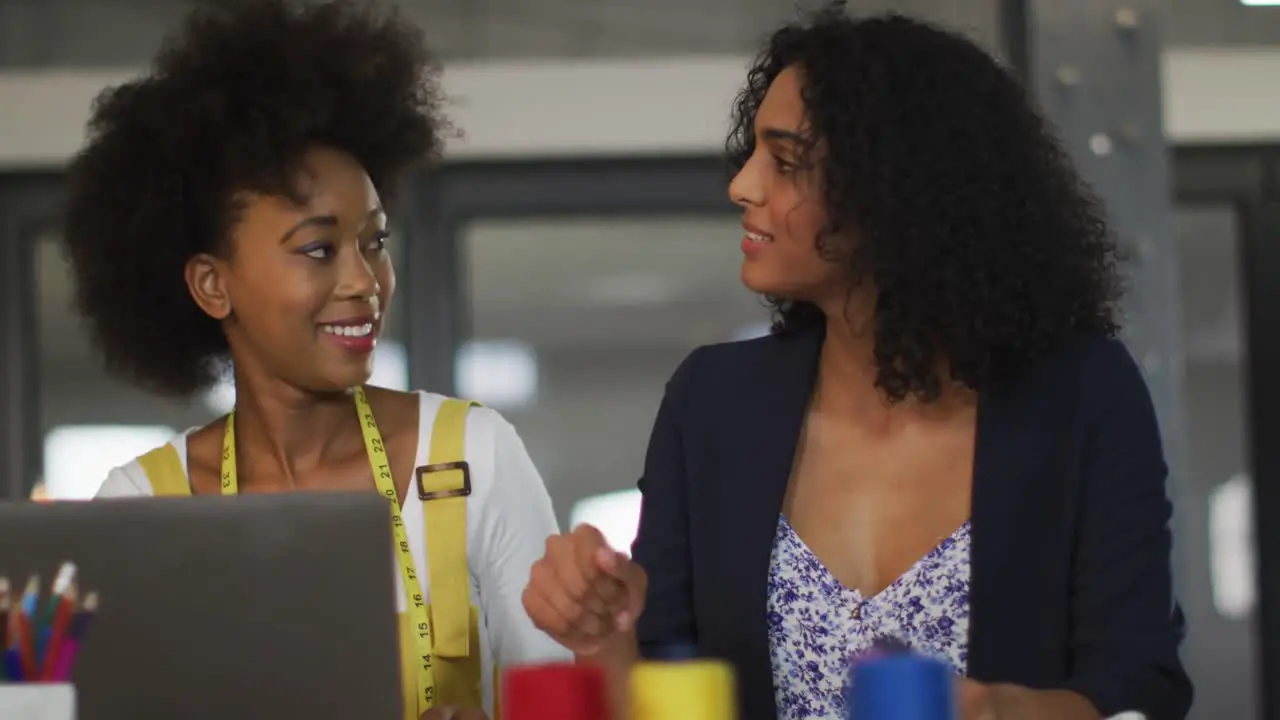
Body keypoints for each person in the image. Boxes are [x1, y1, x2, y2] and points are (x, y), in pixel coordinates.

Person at [521, 6, 1192, 720]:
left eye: (785, 162)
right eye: (754, 154)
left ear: (893, 190)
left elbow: (1139, 687)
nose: (742, 186)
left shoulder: (1080, 395)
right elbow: (663, 687)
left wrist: (993, 711)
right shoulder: (712, 404)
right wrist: (601, 633)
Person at [63, 1, 569, 718]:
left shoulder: (471, 459)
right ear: (214, 285)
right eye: (318, 248)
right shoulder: (142, 509)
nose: (365, 280)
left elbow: (569, 695)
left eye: (374, 240)